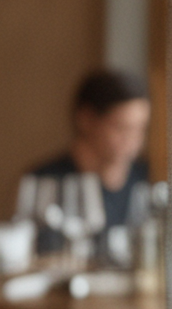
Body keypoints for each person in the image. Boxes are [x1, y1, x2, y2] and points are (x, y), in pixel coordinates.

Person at [25, 68, 151, 231]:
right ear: (86, 119)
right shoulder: (45, 183)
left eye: (140, 129)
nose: (133, 140)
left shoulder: (147, 179)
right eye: (121, 128)